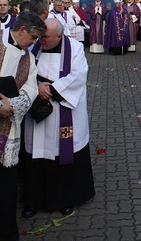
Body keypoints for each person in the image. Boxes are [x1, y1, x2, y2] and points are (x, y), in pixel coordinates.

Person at [22, 19, 95, 219]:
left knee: (63, 156)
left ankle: (65, 199)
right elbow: (22, 72)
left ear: (59, 36)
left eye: (46, 37)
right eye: (40, 35)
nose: (41, 40)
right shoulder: (32, 46)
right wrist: (36, 87)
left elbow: (79, 76)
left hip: (65, 111)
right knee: (35, 157)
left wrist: (51, 89)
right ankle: (34, 200)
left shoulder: (76, 48)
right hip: (37, 111)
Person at [0, 12, 46, 241]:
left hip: (8, 130)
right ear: (22, 31)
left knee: (6, 191)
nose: (34, 43)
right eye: (34, 37)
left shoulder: (28, 58)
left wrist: (12, 106)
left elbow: (31, 88)